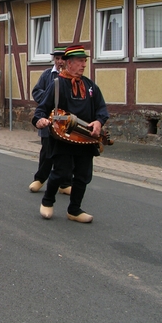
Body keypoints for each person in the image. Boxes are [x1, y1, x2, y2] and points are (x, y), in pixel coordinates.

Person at [33, 45, 109, 223]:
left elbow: (101, 109)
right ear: (69, 63)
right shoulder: (57, 84)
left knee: (83, 176)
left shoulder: (90, 86)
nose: (84, 65)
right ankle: (47, 201)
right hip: (63, 138)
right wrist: (40, 120)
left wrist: (99, 121)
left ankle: (74, 210)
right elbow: (42, 109)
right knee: (60, 172)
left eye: (84, 61)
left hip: (85, 138)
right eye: (80, 61)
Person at [29, 48, 70, 194]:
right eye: (57, 59)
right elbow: (36, 91)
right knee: (47, 152)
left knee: (66, 154)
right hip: (48, 120)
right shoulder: (47, 74)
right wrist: (49, 96)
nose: (60, 62)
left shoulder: (71, 77)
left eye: (62, 59)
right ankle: (40, 179)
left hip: (65, 122)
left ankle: (65, 184)